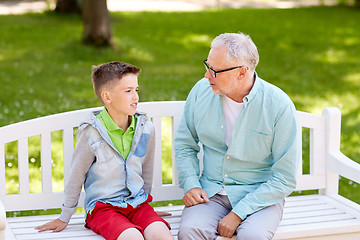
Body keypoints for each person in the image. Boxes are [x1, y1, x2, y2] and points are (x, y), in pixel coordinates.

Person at [174, 33, 301, 240]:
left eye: (214, 70)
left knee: (253, 236)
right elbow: (185, 143)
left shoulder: (279, 106)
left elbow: (284, 178)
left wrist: (238, 213)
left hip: (260, 197)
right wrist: (191, 183)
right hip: (211, 194)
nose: (207, 75)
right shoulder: (200, 91)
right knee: (190, 231)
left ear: (242, 72)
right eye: (207, 66)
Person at [35, 61, 174, 240]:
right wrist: (65, 216)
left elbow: (146, 169)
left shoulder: (145, 127)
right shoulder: (91, 132)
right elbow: (77, 175)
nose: (135, 97)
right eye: (128, 91)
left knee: (162, 235)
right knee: (133, 237)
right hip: (103, 208)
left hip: (137, 205)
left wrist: (146, 204)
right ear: (107, 97)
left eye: (136, 90)